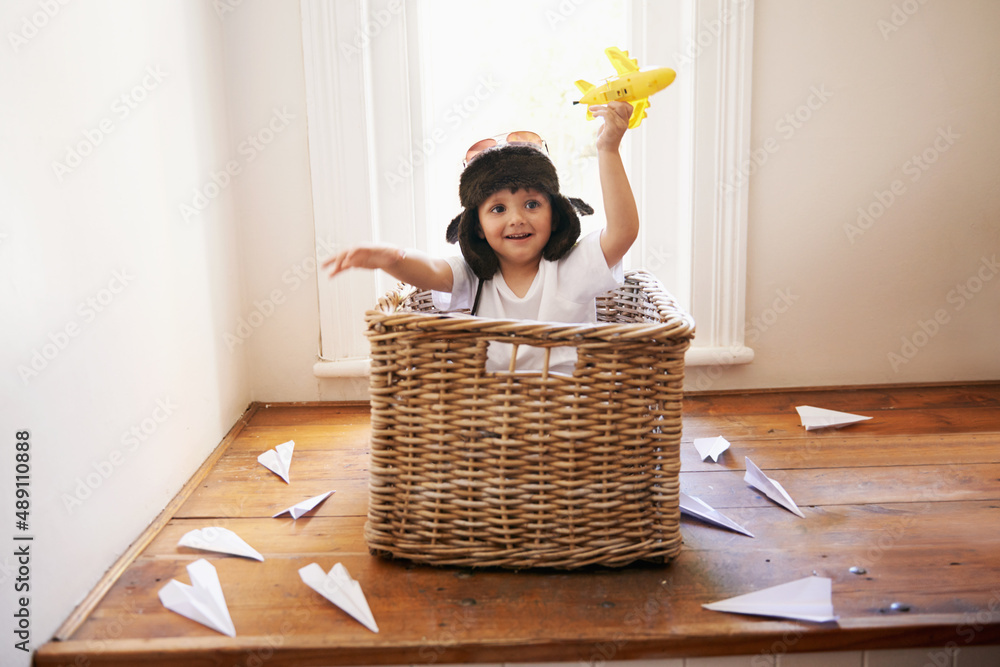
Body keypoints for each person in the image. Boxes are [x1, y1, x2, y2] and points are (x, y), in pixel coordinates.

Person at [323, 101, 639, 374]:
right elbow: (431, 271)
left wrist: (608, 148)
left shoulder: (572, 267)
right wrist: (392, 258)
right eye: (498, 208)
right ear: (477, 227)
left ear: (556, 215)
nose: (516, 219)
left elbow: (623, 232)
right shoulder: (476, 274)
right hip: (492, 416)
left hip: (570, 415)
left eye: (532, 204)